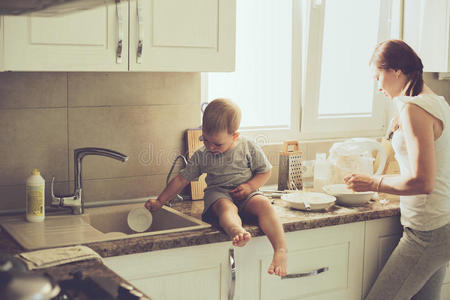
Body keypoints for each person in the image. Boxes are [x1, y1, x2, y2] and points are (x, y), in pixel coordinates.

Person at [344, 39, 450, 300]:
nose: (378, 86)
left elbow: (422, 182)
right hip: (443, 222)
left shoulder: (414, 108)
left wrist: (374, 182)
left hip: (428, 231)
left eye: (378, 76)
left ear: (396, 71)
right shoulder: (437, 102)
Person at [145, 98, 288, 277]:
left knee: (264, 204)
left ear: (235, 136)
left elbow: (265, 171)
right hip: (219, 195)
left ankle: (280, 250)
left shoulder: (247, 146)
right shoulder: (202, 155)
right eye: (206, 140)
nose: (211, 147)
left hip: (247, 194)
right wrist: (160, 201)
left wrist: (250, 186)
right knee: (225, 207)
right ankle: (237, 231)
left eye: (217, 144)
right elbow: (181, 180)